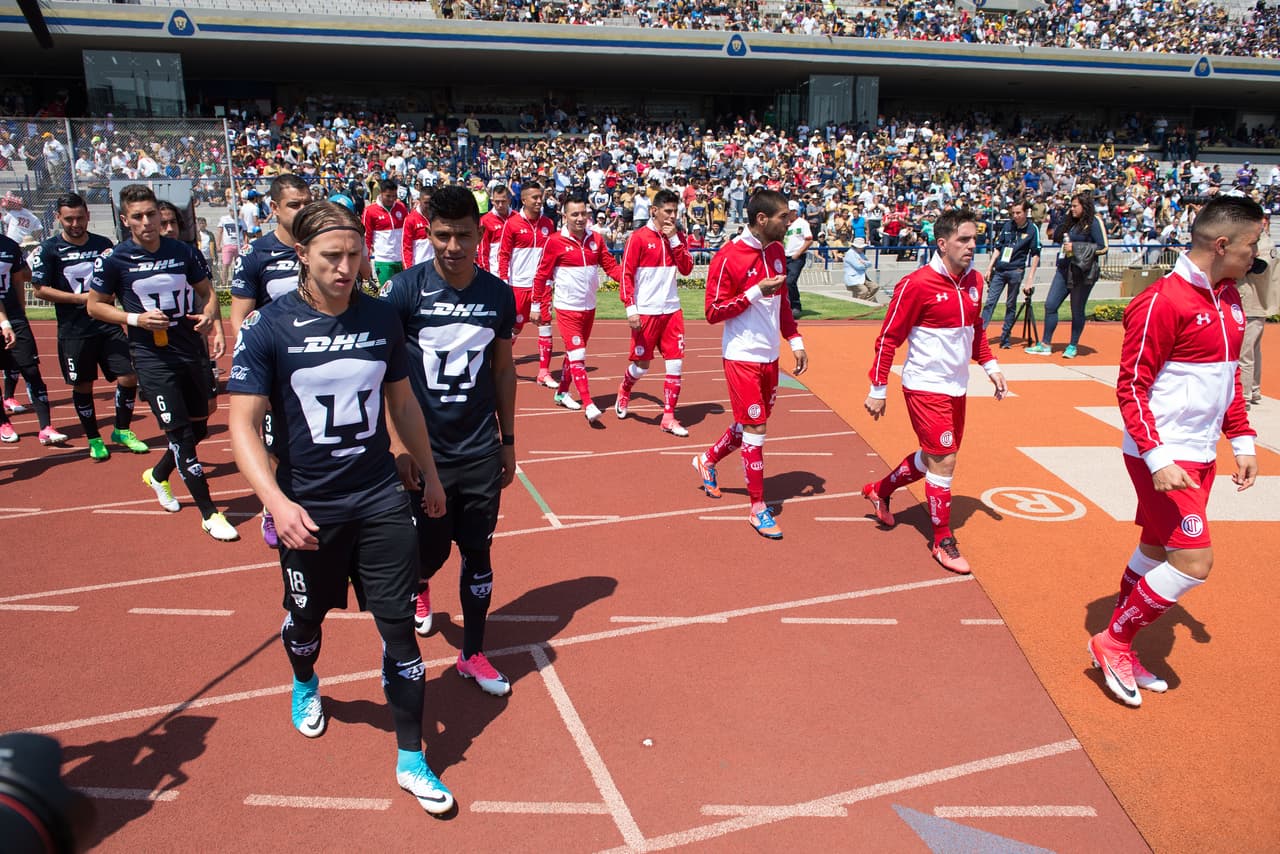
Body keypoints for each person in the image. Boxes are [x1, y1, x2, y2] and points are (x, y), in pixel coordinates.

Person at [227, 200, 455, 813]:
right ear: (302, 254)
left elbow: (403, 404)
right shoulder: (269, 327)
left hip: (380, 497)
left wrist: (428, 473)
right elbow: (242, 425)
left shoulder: (381, 318)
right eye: (333, 255)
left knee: (400, 631)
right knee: (306, 623)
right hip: (310, 505)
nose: (347, 267)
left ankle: (412, 759)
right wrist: (275, 502)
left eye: (355, 254)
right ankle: (305, 683)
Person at [1089, 195, 1263, 708]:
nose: (1259, 253)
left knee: (1156, 550)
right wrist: (1158, 457)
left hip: (1201, 451)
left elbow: (1228, 379)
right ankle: (1113, 641)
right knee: (1194, 562)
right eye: (1254, 243)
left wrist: (1243, 439)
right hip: (1163, 455)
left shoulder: (1230, 297)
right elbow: (1131, 387)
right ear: (1222, 243)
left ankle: (1120, 640)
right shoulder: (1163, 300)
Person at [379, 186, 517, 696]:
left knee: (479, 555)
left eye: (463, 235)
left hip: (479, 449)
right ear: (428, 231)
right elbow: (386, 375)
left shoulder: (499, 293)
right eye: (442, 234)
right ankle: (420, 587)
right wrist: (398, 447)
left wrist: (508, 439)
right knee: (426, 556)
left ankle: (473, 652)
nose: (453, 246)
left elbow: (504, 371)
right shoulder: (404, 291)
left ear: (480, 234)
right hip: (424, 453)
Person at [861, 209, 1008, 574]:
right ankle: (942, 539)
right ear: (942, 244)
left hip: (958, 387)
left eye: (974, 239)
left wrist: (991, 367)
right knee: (945, 460)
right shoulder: (916, 284)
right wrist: (878, 387)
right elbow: (888, 339)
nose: (972, 246)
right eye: (964, 240)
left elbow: (975, 331)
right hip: (925, 387)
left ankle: (879, 490)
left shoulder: (975, 280)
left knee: (933, 457)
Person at [87, 184, 236, 542]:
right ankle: (210, 513)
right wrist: (134, 320)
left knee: (200, 427)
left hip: (191, 351)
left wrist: (210, 319)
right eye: (137, 216)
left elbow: (207, 292)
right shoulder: (114, 260)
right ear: (125, 221)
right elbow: (95, 305)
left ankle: (157, 475)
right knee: (182, 435)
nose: (147, 222)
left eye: (151, 214)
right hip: (152, 357)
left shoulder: (183, 251)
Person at [692, 189, 808, 540]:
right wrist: (756, 291)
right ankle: (758, 507)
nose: (789, 224)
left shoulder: (775, 250)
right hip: (741, 356)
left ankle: (707, 460)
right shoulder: (728, 257)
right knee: (756, 429)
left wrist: (796, 339)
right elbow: (712, 313)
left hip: (770, 356)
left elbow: (783, 301)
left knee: (749, 424)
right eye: (783, 218)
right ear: (762, 220)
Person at [28, 192, 147, 459]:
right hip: (74, 330)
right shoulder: (48, 249)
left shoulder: (104, 244)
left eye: (80, 217)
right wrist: (80, 299)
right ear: (58, 218)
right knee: (83, 385)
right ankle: (94, 437)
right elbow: (39, 289)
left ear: (88, 216)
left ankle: (122, 429)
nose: (75, 223)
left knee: (128, 375)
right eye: (69, 219)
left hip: (107, 323)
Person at [229, 174, 312, 547]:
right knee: (276, 442)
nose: (303, 210)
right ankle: (274, 505)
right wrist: (254, 367)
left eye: (308, 202)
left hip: (320, 362)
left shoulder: (319, 246)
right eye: (295, 204)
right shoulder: (256, 254)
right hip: (276, 367)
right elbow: (240, 316)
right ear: (274, 208)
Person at [532, 192, 623, 424]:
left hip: (589, 308)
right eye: (575, 214)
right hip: (566, 308)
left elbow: (611, 267)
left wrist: (630, 280)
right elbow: (541, 274)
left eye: (584, 213)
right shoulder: (554, 241)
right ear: (565, 216)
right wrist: (535, 304)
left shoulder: (596, 239)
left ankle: (562, 392)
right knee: (578, 353)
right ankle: (588, 403)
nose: (580, 218)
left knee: (574, 355)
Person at [616, 188, 695, 436]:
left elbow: (687, 268)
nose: (672, 216)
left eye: (675, 211)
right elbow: (626, 275)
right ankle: (626, 388)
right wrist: (631, 309)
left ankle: (668, 417)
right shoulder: (638, 238)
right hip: (646, 312)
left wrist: (674, 241)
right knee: (642, 366)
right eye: (668, 211)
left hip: (672, 310)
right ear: (655, 211)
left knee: (675, 365)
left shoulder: (677, 237)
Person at [0, 232, 68, 446]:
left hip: (12, 315)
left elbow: (20, 278)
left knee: (30, 370)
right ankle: (3, 423)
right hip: (4, 320)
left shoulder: (8, 246)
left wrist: (20, 312)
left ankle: (46, 427)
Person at [1027, 193, 1108, 358]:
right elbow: (1056, 237)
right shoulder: (1070, 221)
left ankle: (1072, 345)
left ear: (1084, 207)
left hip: (1082, 272)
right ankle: (1045, 344)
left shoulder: (1094, 222)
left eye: (1074, 206)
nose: (1072, 209)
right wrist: (1063, 220)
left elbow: (1103, 247)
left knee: (1077, 309)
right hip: (1064, 268)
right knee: (1050, 305)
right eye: (1070, 206)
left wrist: (1076, 247)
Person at [497, 180, 557, 389]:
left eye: (541, 197)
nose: (539, 201)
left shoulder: (548, 224)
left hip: (542, 286)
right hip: (518, 286)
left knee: (545, 325)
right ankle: (498, 361)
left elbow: (552, 255)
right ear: (523, 200)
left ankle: (544, 372)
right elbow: (503, 255)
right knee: (515, 328)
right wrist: (504, 283)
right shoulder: (512, 224)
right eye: (535, 197)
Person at [980, 199, 1042, 349]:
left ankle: (1005, 337)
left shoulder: (1032, 229)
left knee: (1010, 304)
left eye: (1018, 213)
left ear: (1026, 212)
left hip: (1016, 270)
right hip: (1000, 270)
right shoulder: (1008, 225)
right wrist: (989, 267)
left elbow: (1035, 253)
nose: (1015, 216)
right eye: (1013, 213)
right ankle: (979, 336)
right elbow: (998, 247)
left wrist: (1030, 279)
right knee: (990, 302)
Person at [1237, 215, 1277, 410]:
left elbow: (1258, 267)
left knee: (1244, 353)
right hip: (1253, 303)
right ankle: (1253, 389)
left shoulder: (1264, 244)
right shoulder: (1260, 242)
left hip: (1251, 302)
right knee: (1253, 351)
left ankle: (1244, 396)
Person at [362, 178, 408, 286]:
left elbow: (407, 233)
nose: (391, 199)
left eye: (394, 196)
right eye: (388, 196)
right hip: (383, 261)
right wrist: (366, 261)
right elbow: (366, 238)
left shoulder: (401, 207)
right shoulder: (370, 211)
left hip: (401, 259)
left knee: (404, 294)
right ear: (381, 193)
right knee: (387, 293)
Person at [782, 200, 813, 314]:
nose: (787, 214)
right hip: (784, 256)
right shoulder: (784, 223)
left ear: (795, 211)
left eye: (789, 212)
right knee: (782, 283)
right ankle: (785, 306)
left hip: (797, 256)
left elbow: (809, 240)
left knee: (790, 281)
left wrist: (798, 253)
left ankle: (796, 306)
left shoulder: (802, 223)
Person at [476, 184, 511, 274]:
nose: (500, 205)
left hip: (515, 273)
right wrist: (485, 273)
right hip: (495, 271)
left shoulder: (517, 217)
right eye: (497, 201)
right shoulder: (485, 220)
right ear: (492, 201)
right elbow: (483, 250)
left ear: (509, 201)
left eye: (503, 201)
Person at [401, 185, 434, 269]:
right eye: (426, 202)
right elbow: (406, 247)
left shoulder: (439, 217)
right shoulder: (410, 219)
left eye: (431, 202)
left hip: (437, 267)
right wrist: (408, 269)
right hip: (419, 267)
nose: (428, 206)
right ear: (419, 200)